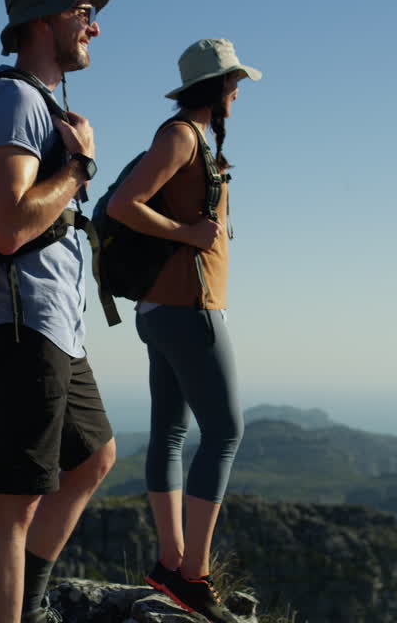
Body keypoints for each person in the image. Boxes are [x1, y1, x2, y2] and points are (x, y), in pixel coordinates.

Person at [0, 0, 118, 623]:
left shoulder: (40, 103)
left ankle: (23, 606)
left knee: (94, 458)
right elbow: (7, 227)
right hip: (26, 324)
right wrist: (81, 168)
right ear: (41, 21)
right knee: (13, 502)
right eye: (82, 13)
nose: (94, 26)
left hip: (56, 327)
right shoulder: (15, 101)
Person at [105, 38, 262, 623]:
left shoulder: (190, 139)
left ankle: (171, 564)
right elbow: (124, 203)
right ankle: (193, 574)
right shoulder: (179, 136)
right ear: (215, 88)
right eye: (233, 83)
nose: (238, 92)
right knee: (225, 431)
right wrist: (186, 233)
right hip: (188, 309)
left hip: (163, 310)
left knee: (171, 432)